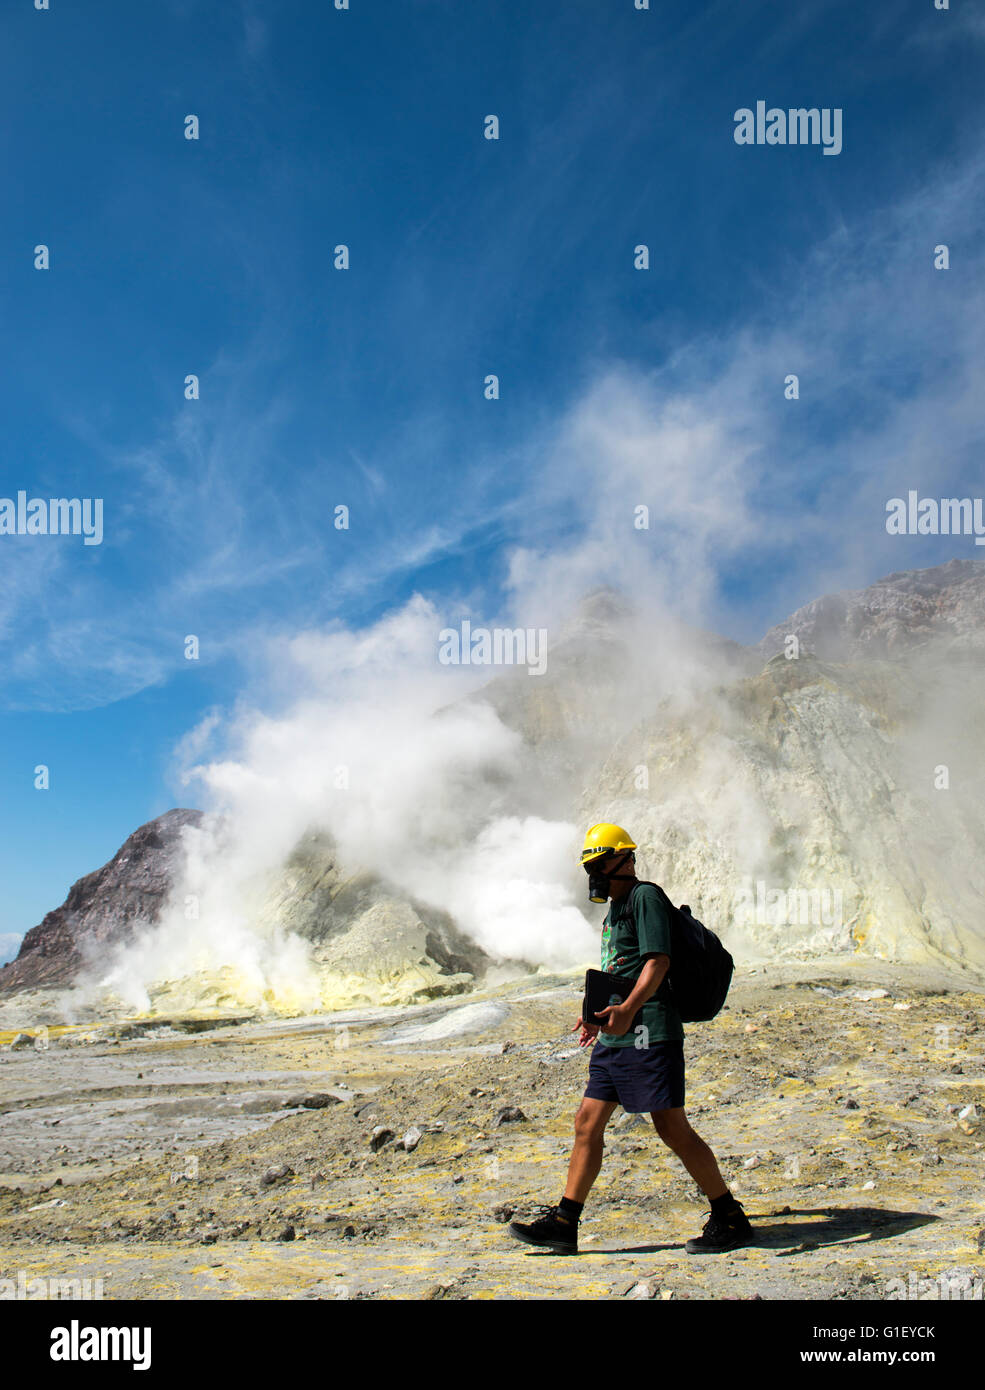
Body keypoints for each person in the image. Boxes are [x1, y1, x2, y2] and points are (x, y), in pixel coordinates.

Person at [508, 822, 755, 1255]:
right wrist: (596, 1015)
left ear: (626, 859)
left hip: (648, 1031)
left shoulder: (645, 898)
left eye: (601, 862)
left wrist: (628, 1010)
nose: (596, 872)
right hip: (617, 1034)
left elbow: (657, 964)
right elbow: (620, 968)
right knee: (587, 1121)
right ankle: (565, 1223)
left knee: (671, 1127)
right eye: (590, 865)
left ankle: (730, 1216)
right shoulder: (615, 911)